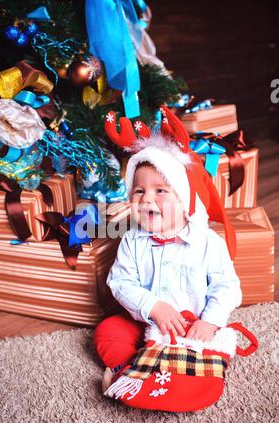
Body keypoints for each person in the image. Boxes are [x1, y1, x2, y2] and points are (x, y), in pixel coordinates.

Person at [94, 109, 242, 394]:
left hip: (192, 324)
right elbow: (120, 282)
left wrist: (209, 321)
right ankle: (129, 369)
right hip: (145, 321)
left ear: (184, 197)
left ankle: (182, 373)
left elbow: (227, 286)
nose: (147, 198)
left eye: (161, 191)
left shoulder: (207, 242)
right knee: (108, 330)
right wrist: (152, 306)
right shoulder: (132, 241)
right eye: (138, 191)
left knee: (208, 341)